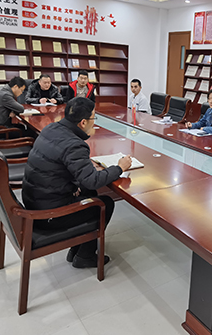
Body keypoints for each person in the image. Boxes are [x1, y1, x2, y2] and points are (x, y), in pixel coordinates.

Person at [22, 98, 132, 268]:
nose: (94, 123)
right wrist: (119, 168)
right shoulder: (74, 145)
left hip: (35, 201)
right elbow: (92, 180)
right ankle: (85, 256)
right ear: (83, 122)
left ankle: (77, 247)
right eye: (93, 118)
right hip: (48, 214)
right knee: (104, 204)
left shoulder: (51, 128)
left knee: (89, 193)